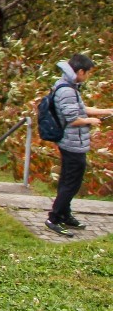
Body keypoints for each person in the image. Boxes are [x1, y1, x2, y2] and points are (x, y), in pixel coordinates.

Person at [46, 53, 113, 237]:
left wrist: (106, 111)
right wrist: (90, 121)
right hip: (72, 143)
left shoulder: (69, 86)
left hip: (72, 142)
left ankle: (65, 214)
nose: (89, 76)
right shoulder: (67, 90)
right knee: (72, 183)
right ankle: (54, 218)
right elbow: (73, 119)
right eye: (88, 73)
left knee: (67, 180)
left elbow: (81, 109)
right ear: (80, 71)